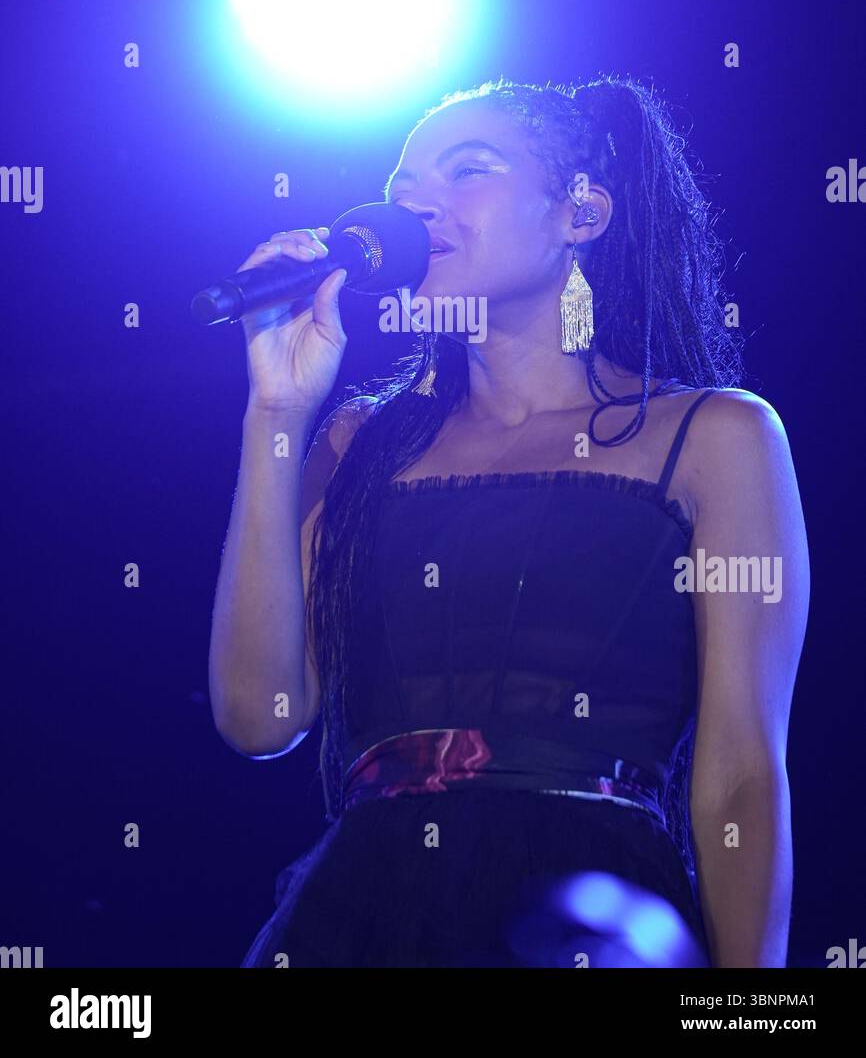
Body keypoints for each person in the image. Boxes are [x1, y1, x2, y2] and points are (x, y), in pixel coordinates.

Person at [209, 76, 809, 968]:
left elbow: (740, 778)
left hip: (590, 908)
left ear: (582, 213)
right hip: (366, 917)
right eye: (405, 186)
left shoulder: (713, 436)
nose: (417, 205)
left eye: (468, 172)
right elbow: (260, 716)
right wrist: (275, 414)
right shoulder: (351, 444)